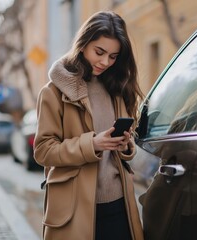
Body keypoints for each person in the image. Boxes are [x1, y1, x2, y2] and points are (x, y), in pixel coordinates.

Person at [33, 11, 144, 240]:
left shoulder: (117, 88)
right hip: (74, 210)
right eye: (99, 52)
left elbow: (125, 148)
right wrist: (92, 144)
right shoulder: (53, 93)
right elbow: (43, 150)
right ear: (83, 44)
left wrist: (124, 144)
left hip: (118, 205)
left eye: (113, 56)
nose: (105, 62)